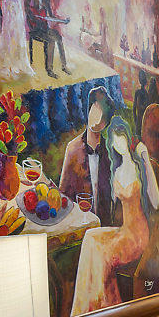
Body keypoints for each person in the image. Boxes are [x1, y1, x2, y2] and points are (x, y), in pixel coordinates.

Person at [70, 116, 159, 314]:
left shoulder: (139, 167)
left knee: (103, 253)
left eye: (120, 137)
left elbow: (155, 201)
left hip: (137, 235)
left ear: (128, 137)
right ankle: (84, 308)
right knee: (90, 237)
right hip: (124, 230)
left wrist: (145, 158)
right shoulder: (117, 171)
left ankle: (105, 308)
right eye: (114, 139)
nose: (117, 143)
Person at [59, 87, 117, 227]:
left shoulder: (110, 151)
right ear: (89, 110)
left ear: (106, 123)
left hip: (104, 225)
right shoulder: (73, 149)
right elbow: (64, 193)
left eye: (102, 116)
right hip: (78, 224)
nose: (97, 120)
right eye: (95, 110)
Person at [26, 0, 70, 78]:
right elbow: (26, 5)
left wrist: (59, 19)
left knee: (58, 37)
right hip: (35, 25)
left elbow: (49, 11)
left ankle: (64, 66)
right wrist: (32, 18)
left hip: (44, 25)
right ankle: (49, 70)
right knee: (50, 41)